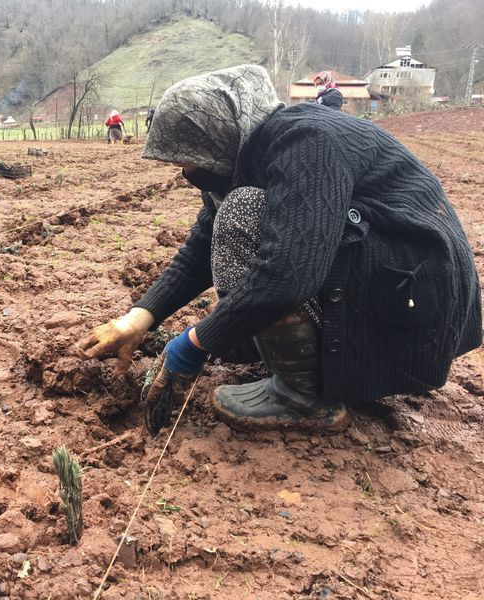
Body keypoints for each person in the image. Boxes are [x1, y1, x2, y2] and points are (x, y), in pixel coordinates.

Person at [75, 64, 481, 433]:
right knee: (237, 235)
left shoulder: (307, 141)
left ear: (217, 138)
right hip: (392, 285)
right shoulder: (249, 157)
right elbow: (200, 248)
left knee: (244, 214)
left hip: (414, 305)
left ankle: (302, 397)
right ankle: (303, 362)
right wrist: (140, 317)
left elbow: (290, 271)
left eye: (188, 160)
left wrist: (194, 344)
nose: (185, 173)